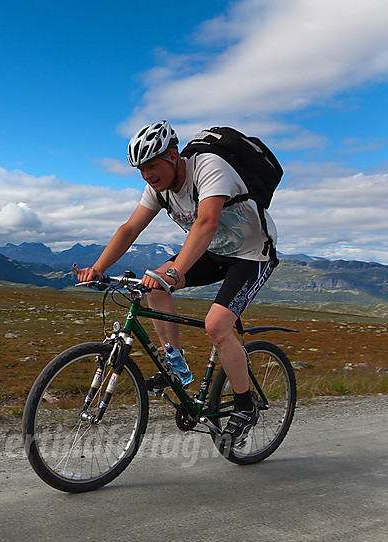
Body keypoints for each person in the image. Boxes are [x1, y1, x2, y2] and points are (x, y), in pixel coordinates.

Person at [76, 120, 278, 447]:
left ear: (173, 157)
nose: (147, 175)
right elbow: (130, 229)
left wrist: (175, 270)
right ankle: (177, 369)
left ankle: (245, 406)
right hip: (212, 252)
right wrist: (97, 268)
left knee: (217, 326)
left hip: (251, 255)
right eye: (141, 169)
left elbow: (207, 221)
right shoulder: (158, 188)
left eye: (152, 166)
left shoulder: (210, 167)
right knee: (154, 288)